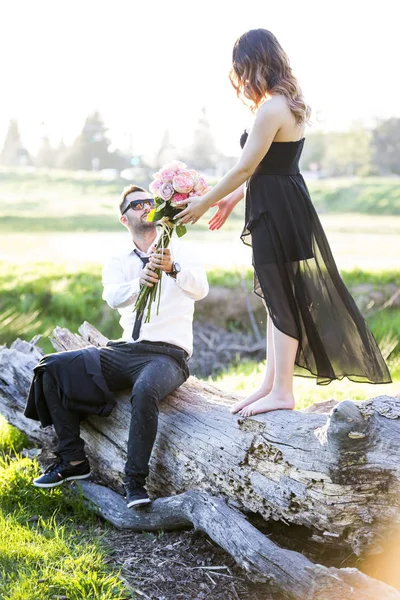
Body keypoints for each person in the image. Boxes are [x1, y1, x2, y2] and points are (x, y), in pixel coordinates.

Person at [176, 28, 391, 416]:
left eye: (240, 69)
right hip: (284, 203)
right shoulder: (288, 103)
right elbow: (270, 165)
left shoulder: (272, 107)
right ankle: (271, 384)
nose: (239, 78)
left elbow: (246, 166)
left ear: (253, 64)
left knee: (281, 298)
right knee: (278, 297)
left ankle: (282, 392)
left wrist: (204, 203)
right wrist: (229, 198)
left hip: (277, 209)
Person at [25, 184, 209, 507]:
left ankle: (134, 483)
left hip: (168, 353)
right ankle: (72, 461)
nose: (144, 207)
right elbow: (111, 296)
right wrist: (139, 284)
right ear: (125, 219)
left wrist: (172, 269)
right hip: (124, 350)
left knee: (146, 388)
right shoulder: (117, 258)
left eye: (149, 202)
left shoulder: (180, 249)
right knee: (50, 368)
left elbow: (201, 288)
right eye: (136, 205)